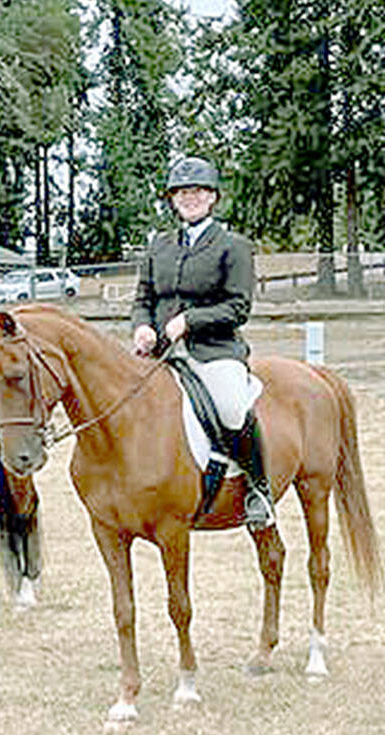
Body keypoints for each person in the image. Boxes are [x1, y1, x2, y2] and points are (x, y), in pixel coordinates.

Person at [131, 156, 275, 531]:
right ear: (172, 199)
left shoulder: (233, 246)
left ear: (212, 197)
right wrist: (142, 328)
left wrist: (190, 321)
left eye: (197, 191)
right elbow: (143, 298)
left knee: (230, 407)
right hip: (161, 352)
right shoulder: (158, 246)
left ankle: (258, 490)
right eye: (182, 192)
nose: (189, 198)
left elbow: (239, 306)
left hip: (213, 351)